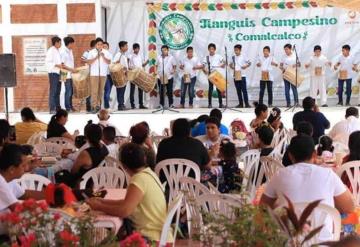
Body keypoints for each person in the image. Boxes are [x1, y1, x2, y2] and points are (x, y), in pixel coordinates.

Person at [260, 135, 355, 242]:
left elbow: (263, 207)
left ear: (290, 156)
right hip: (324, 243)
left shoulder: (279, 175)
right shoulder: (328, 174)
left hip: (289, 242)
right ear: (314, 154)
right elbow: (350, 207)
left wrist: (280, 205)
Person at [86, 143, 173, 243]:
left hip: (153, 239)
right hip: (161, 236)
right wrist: (103, 202)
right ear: (144, 159)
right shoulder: (149, 174)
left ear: (123, 166)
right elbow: (127, 203)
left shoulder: (139, 179)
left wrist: (99, 206)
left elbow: (124, 211)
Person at [0, 144, 27, 234]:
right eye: (23, 166)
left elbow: (24, 194)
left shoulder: (8, 178)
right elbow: (17, 208)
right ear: (11, 169)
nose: (26, 168)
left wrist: (52, 194)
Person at [87, 37, 112, 113]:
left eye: (101, 44)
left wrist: (103, 56)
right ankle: (94, 106)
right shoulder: (91, 52)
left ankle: (98, 105)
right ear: (95, 45)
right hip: (94, 74)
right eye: (98, 44)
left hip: (103, 74)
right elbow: (89, 62)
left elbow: (109, 62)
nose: (100, 46)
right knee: (94, 91)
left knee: (100, 91)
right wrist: (96, 57)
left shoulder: (106, 52)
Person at [203, 43, 225, 108]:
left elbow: (224, 62)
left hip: (217, 74)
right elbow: (203, 66)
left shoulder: (218, 56)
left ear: (215, 49)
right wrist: (205, 70)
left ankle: (220, 104)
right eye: (210, 49)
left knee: (219, 89)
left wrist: (222, 65)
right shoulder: (206, 57)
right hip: (210, 74)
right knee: (210, 89)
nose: (211, 50)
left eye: (212, 49)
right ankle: (209, 104)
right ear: (208, 49)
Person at [45, 36, 62, 113]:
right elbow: (48, 62)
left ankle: (58, 108)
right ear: (56, 43)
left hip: (59, 73)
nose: (60, 44)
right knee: (53, 91)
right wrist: (57, 65)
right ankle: (52, 108)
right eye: (60, 42)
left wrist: (61, 64)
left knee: (58, 91)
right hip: (53, 73)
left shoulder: (57, 50)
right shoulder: (51, 50)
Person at [129, 43, 149, 109]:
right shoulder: (130, 56)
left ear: (139, 49)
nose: (137, 50)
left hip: (140, 74)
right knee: (132, 90)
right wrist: (134, 69)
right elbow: (129, 67)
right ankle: (132, 104)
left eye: (138, 48)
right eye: (135, 49)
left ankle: (141, 104)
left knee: (141, 89)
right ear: (133, 49)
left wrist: (147, 62)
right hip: (133, 74)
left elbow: (142, 65)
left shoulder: (140, 56)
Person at [60, 36, 77, 112]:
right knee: (68, 91)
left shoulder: (70, 51)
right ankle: (67, 108)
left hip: (70, 73)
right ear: (69, 43)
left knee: (71, 91)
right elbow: (62, 65)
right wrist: (71, 69)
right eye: (73, 43)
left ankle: (70, 106)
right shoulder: (63, 52)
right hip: (64, 73)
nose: (73, 45)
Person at [112, 41, 129, 111]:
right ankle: (120, 105)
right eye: (126, 46)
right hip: (120, 75)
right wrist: (122, 67)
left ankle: (122, 104)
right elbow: (114, 64)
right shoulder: (118, 55)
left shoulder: (124, 55)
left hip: (124, 75)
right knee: (120, 90)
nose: (127, 47)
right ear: (121, 47)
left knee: (123, 90)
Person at [81, 39, 97, 112]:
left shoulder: (96, 53)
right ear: (94, 46)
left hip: (94, 74)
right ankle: (88, 107)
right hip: (88, 73)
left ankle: (94, 106)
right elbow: (82, 60)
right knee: (89, 90)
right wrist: (89, 61)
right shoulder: (87, 52)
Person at [102, 42, 115, 110]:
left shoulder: (110, 54)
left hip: (110, 75)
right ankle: (106, 107)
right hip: (104, 75)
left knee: (108, 91)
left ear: (108, 47)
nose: (104, 48)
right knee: (107, 91)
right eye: (103, 46)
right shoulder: (101, 55)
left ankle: (106, 105)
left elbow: (111, 64)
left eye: (106, 46)